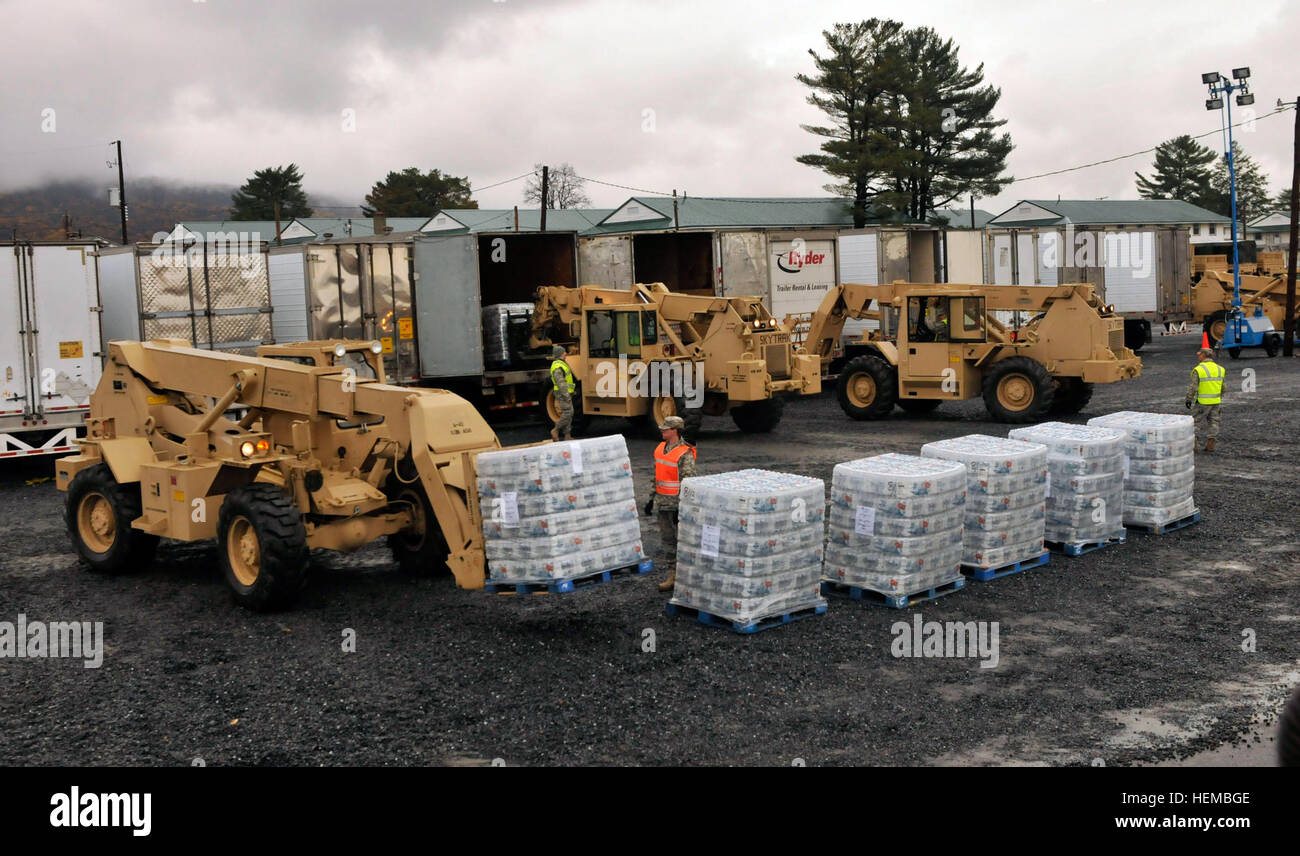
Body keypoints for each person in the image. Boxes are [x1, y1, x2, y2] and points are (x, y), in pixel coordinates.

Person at [644, 415, 697, 592]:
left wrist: (681, 505)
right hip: (662, 504)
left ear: (675, 431)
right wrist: (651, 499)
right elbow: (657, 475)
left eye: (666, 429)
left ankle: (686, 578)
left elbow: (688, 481)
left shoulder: (685, 452)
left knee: (682, 541)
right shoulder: (660, 449)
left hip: (676, 506)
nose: (662, 431)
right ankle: (672, 575)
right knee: (667, 541)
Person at [1185, 347, 1225, 452]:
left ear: (1203, 355)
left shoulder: (1199, 369)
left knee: (1196, 422)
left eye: (1199, 354)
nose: (1198, 356)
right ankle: (1210, 444)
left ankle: (1194, 445)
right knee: (1214, 422)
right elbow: (1223, 387)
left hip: (1202, 402)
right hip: (1216, 401)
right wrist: (1219, 397)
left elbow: (1193, 387)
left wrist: (1189, 399)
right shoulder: (1220, 369)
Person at [549, 344, 575, 442]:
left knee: (569, 413)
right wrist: (566, 395)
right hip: (562, 394)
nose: (565, 353)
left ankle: (567, 435)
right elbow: (561, 383)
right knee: (568, 412)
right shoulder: (557, 366)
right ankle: (555, 430)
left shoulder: (561, 364)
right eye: (563, 352)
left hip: (565, 393)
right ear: (559, 354)